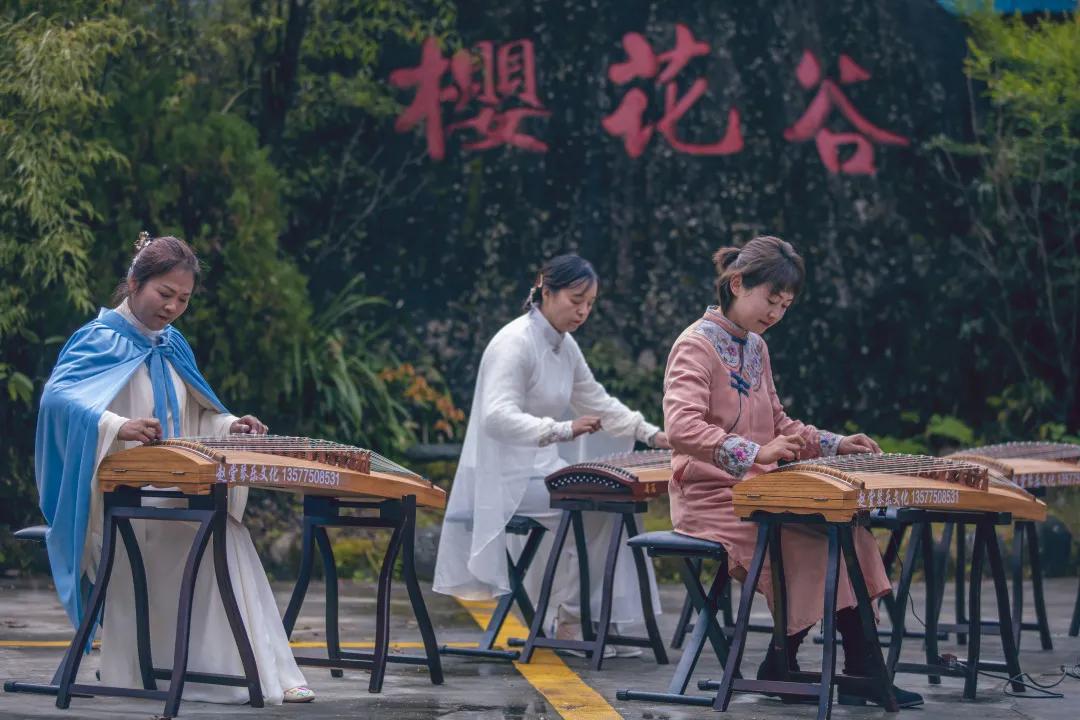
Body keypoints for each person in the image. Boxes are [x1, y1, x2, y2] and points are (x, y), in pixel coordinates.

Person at [36, 232, 313, 704]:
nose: (172, 307)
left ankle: (256, 670)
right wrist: (117, 426)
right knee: (217, 534)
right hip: (119, 502)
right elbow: (57, 404)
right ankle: (240, 671)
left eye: (183, 299)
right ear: (133, 282)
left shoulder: (173, 345)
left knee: (223, 532)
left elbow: (195, 417)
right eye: (164, 294)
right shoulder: (98, 339)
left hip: (170, 490)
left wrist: (230, 426)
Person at [662, 235, 921, 707]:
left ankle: (855, 664)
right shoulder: (694, 345)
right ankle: (786, 660)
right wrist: (752, 454)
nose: (776, 314)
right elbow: (681, 427)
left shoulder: (756, 347)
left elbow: (779, 422)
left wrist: (834, 444)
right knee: (806, 537)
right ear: (737, 284)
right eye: (770, 300)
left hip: (759, 490)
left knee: (850, 531)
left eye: (785, 305)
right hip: (714, 497)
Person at [433, 254, 669, 652]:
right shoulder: (515, 342)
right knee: (597, 509)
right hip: (504, 478)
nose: (583, 310)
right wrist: (559, 429)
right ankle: (571, 620)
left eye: (590, 303)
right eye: (576, 299)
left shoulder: (564, 345)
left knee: (606, 508)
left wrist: (652, 433)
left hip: (541, 472)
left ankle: (571, 617)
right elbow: (495, 417)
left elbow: (595, 400)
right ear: (546, 290)